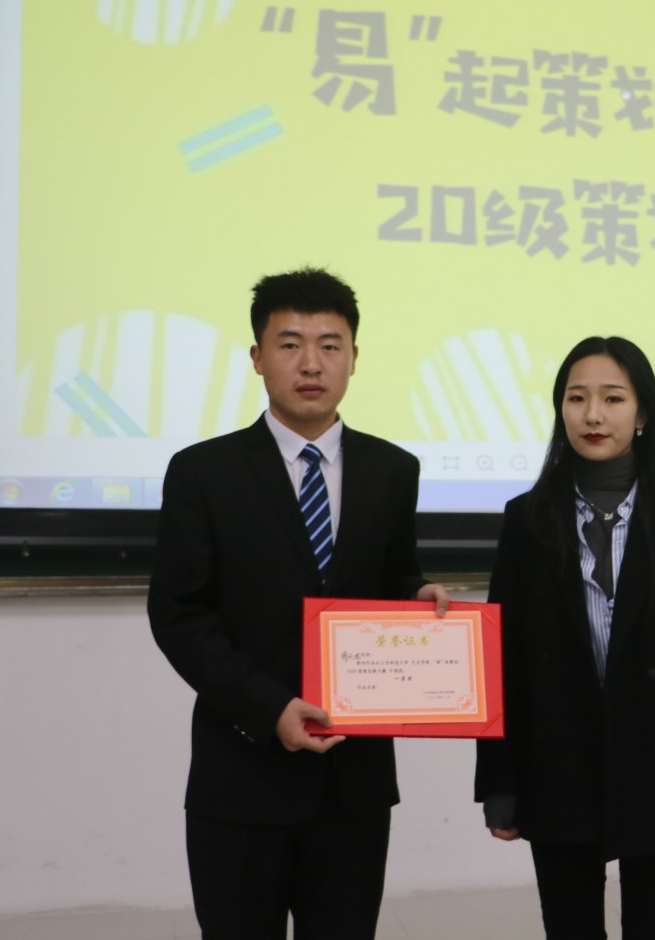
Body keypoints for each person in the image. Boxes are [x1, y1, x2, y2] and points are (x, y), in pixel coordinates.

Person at [148, 267, 448, 940]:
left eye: (329, 345)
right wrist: (270, 708)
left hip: (354, 780)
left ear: (354, 358)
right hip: (242, 773)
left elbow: (392, 576)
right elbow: (179, 615)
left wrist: (417, 598)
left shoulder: (393, 470)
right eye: (290, 344)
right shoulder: (203, 472)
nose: (311, 363)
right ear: (258, 357)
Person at [475, 336, 655, 940]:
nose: (592, 414)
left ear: (642, 414)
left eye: (613, 398)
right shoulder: (527, 520)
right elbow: (501, 663)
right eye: (576, 398)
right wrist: (500, 785)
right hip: (557, 770)